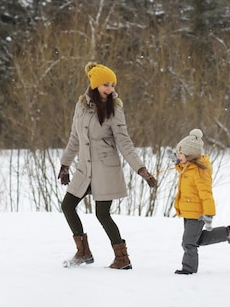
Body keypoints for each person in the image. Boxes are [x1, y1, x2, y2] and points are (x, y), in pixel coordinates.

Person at [58, 62, 158, 270]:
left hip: (105, 168)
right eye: (106, 84)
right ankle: (83, 252)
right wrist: (65, 164)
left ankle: (122, 259)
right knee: (67, 206)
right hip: (85, 169)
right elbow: (74, 137)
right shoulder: (81, 106)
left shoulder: (114, 109)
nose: (110, 89)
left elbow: (124, 142)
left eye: (112, 85)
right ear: (94, 84)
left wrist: (141, 170)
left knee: (102, 214)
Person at [172, 129, 230, 275]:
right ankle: (224, 233)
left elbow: (207, 194)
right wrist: (176, 160)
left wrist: (208, 214)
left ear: (190, 155)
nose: (178, 156)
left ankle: (188, 269)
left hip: (198, 214)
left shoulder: (199, 172)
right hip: (188, 211)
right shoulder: (188, 167)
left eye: (180, 154)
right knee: (195, 239)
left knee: (188, 242)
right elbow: (181, 169)